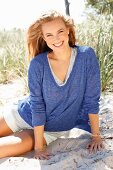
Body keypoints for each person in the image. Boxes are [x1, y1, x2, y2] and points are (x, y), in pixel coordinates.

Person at [0, 10, 104, 160]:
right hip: (23, 115)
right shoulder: (38, 64)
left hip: (49, 132)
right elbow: (37, 105)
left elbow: (92, 100)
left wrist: (96, 136)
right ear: (43, 37)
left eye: (60, 31)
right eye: (49, 35)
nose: (56, 38)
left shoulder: (87, 56)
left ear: (68, 30)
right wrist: (38, 148)